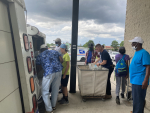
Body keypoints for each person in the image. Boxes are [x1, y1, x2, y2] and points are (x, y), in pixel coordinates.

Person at [36, 44, 63, 113]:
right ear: (47, 48)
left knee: (44, 91)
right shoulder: (55, 52)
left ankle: (49, 109)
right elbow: (61, 60)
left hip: (49, 72)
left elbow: (38, 67)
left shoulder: (40, 55)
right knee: (55, 89)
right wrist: (56, 64)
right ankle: (53, 106)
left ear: (41, 49)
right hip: (59, 71)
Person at [129, 37, 150, 113]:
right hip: (135, 80)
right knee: (136, 101)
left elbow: (148, 67)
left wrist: (145, 80)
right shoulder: (137, 52)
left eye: (133, 43)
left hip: (140, 81)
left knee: (139, 102)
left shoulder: (144, 53)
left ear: (137, 44)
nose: (131, 44)